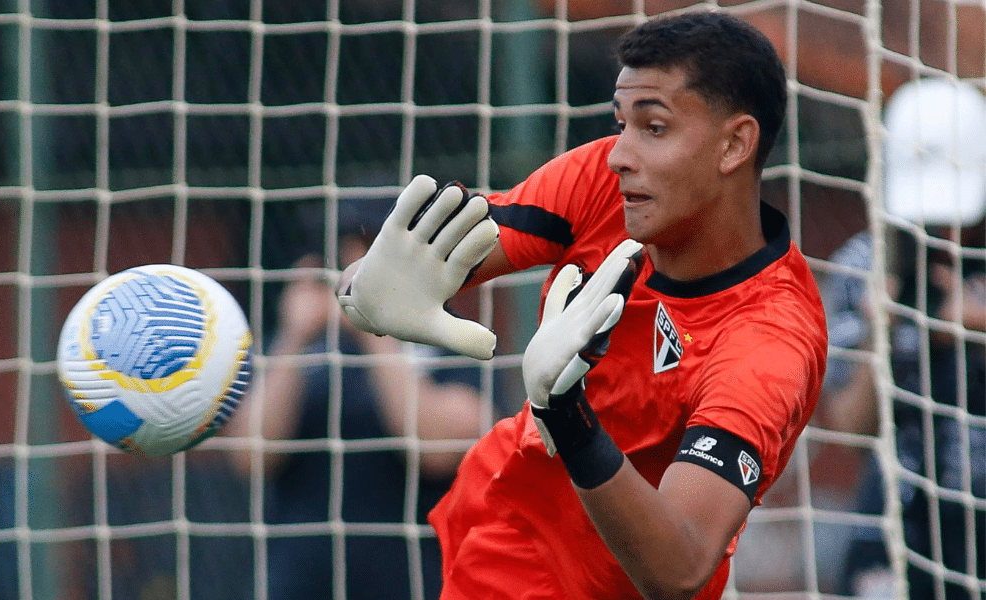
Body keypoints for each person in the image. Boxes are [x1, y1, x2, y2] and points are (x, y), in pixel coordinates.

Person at [337, 10, 828, 600]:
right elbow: (439, 261)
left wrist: (566, 415)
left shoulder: (769, 342)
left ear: (735, 144)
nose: (620, 153)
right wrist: (368, 287)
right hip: (497, 536)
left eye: (653, 127)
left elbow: (678, 568)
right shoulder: (607, 181)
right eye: (621, 123)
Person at [227, 207, 485, 600]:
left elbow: (437, 448)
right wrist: (293, 337)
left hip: (418, 581)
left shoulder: (451, 335)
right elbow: (250, 456)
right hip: (298, 586)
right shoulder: (301, 345)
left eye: (367, 249)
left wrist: (374, 331)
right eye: (344, 251)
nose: (354, 266)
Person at [823, 78, 986, 600]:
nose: (944, 236)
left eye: (955, 218)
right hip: (899, 512)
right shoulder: (867, 263)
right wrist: (882, 336)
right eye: (929, 220)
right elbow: (849, 427)